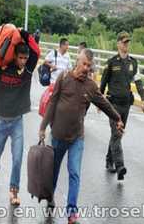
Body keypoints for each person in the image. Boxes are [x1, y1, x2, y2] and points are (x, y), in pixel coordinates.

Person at [39, 49, 124, 224]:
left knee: (74, 173)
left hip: (77, 137)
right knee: (53, 171)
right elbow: (52, 103)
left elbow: (104, 103)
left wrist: (117, 118)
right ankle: (50, 197)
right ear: (78, 61)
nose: (86, 68)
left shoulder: (91, 86)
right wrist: (42, 127)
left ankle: (71, 211)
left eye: (89, 65)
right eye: (84, 64)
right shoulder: (64, 78)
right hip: (58, 135)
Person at [0, 31, 40, 206]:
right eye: (21, 58)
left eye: (26, 58)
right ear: (14, 56)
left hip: (17, 121)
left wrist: (25, 35)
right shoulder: (3, 69)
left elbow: (36, 52)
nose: (24, 61)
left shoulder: (28, 72)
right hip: (2, 120)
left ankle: (14, 190)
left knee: (17, 158)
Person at [100, 31, 144, 180]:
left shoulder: (133, 63)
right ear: (118, 43)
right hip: (112, 104)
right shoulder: (112, 62)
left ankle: (108, 159)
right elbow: (103, 83)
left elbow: (138, 82)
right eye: (124, 42)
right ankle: (119, 166)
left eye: (128, 42)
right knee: (117, 134)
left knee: (116, 135)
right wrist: (99, 102)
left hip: (126, 105)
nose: (126, 45)